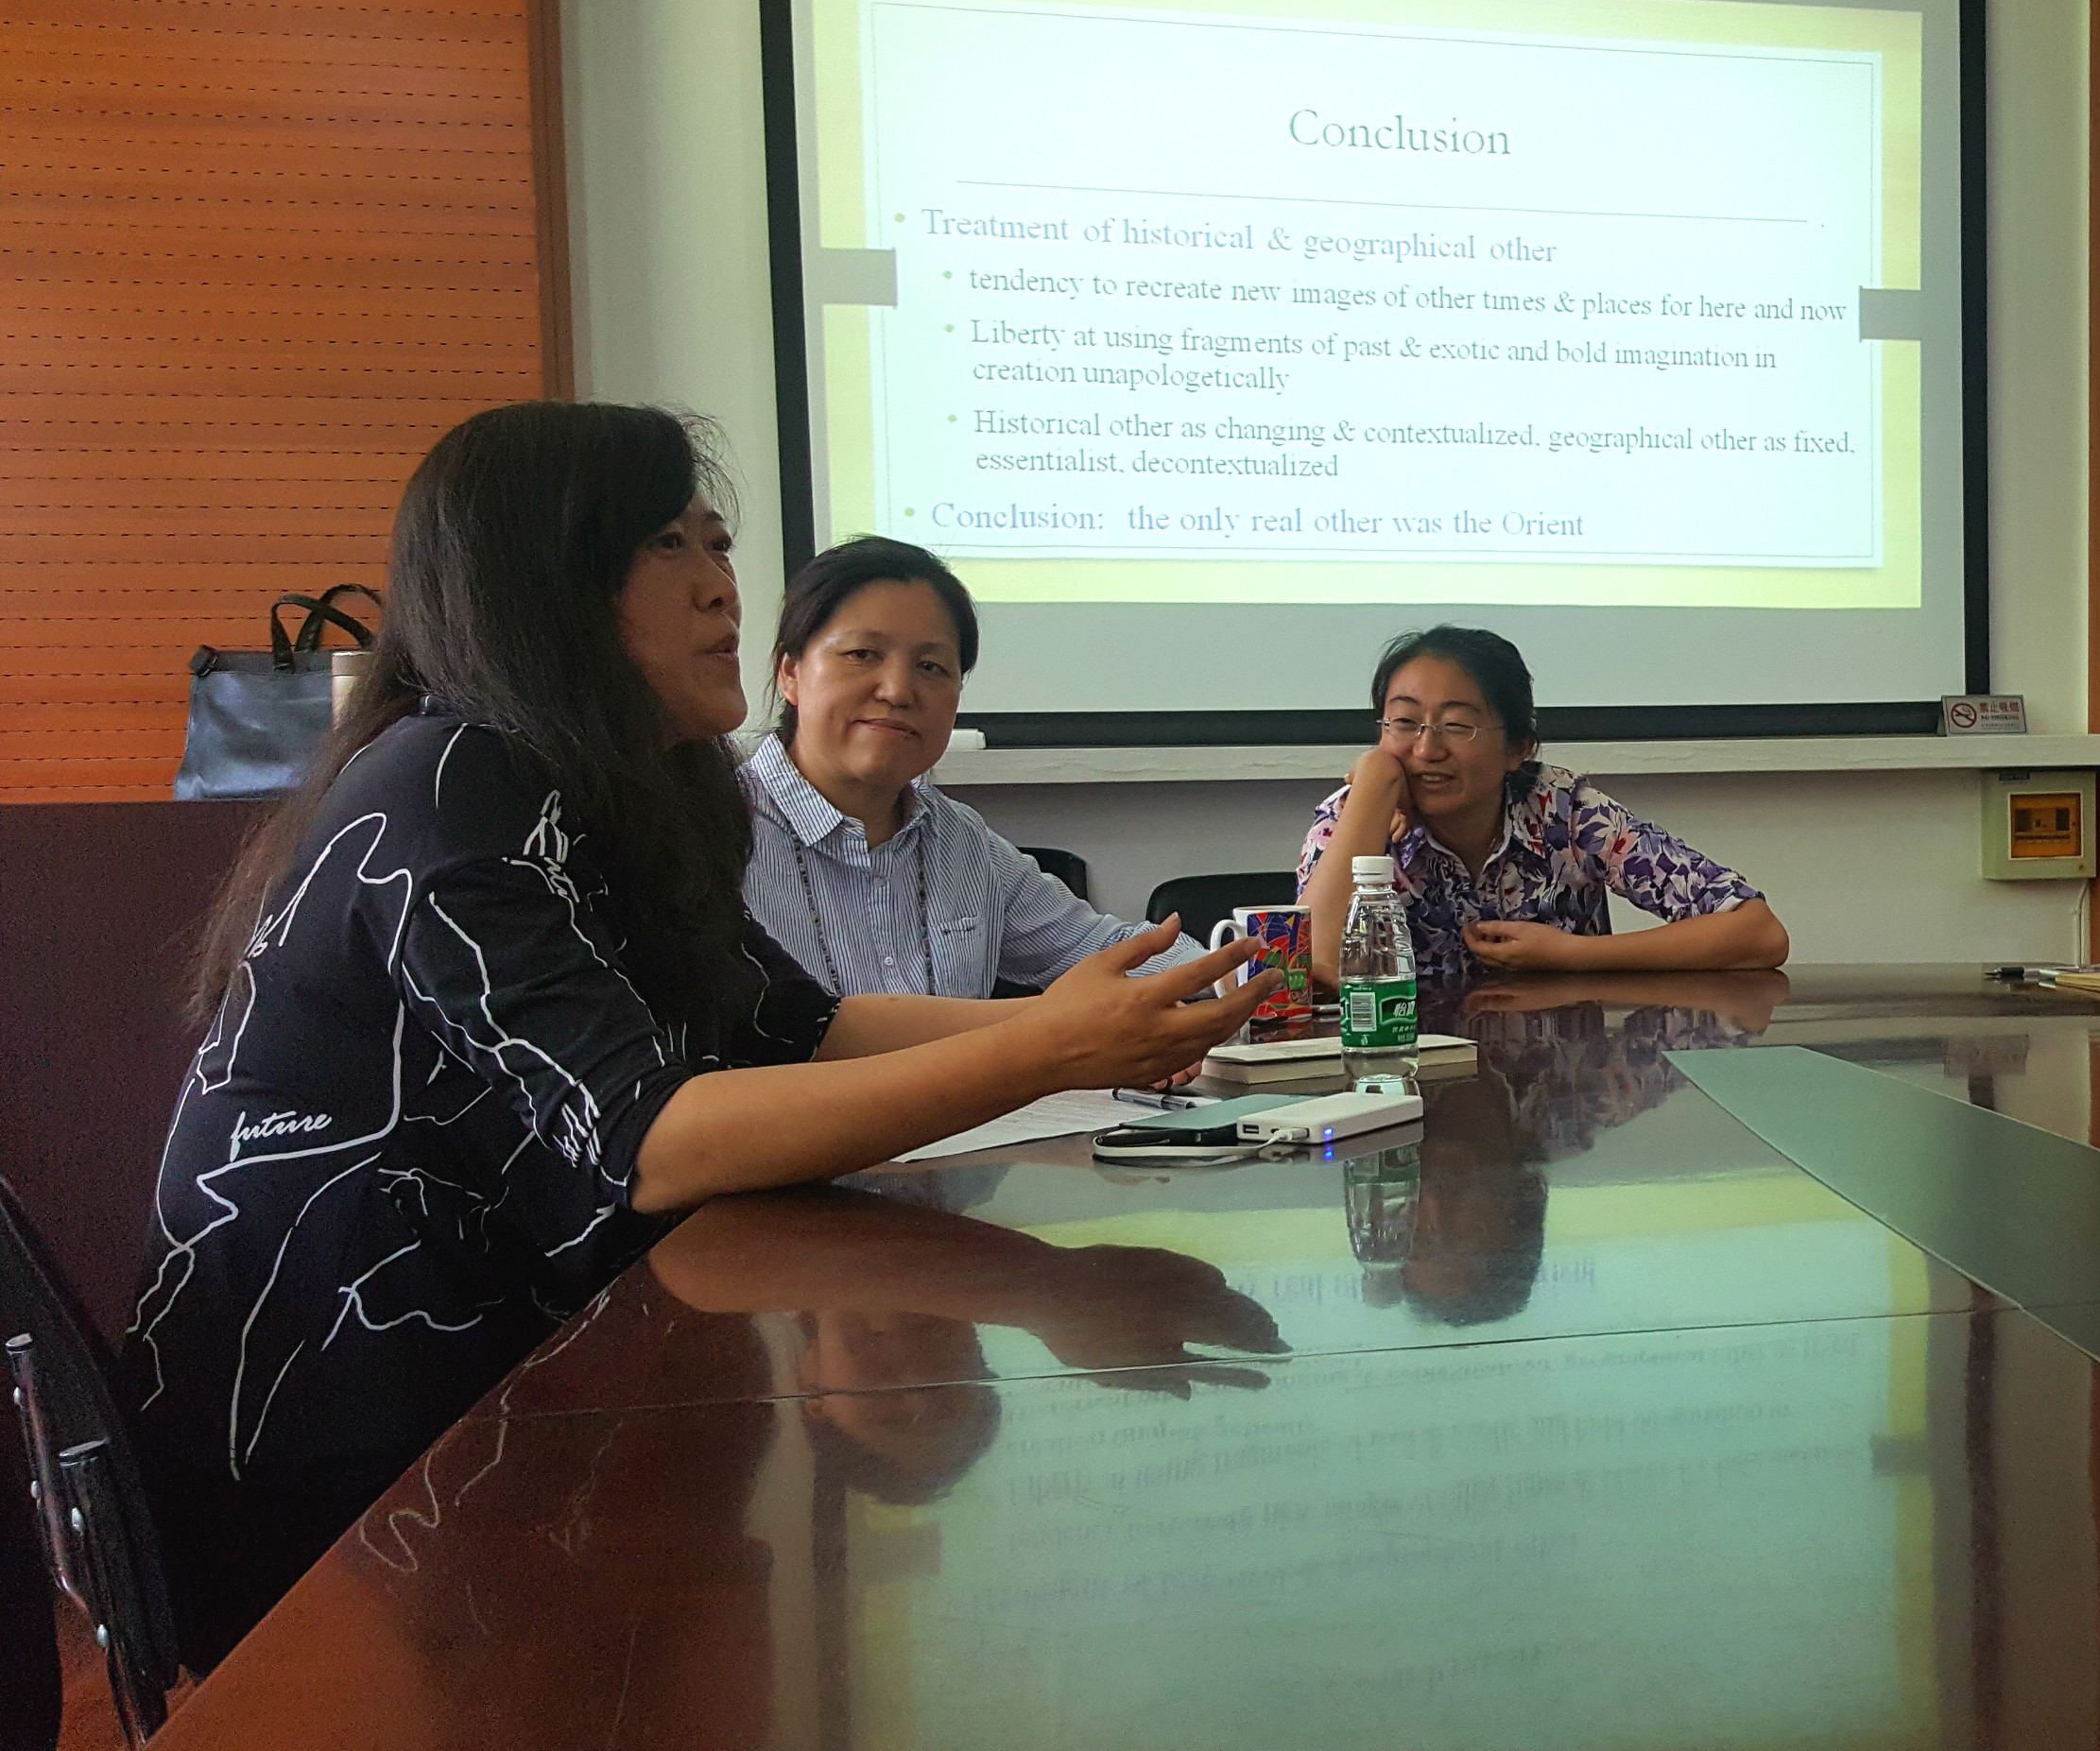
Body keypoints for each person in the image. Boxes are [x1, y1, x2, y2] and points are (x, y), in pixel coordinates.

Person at [124, 403, 1272, 1666]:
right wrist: (1047, 1052)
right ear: (542, 578)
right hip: (349, 1447)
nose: (722, 584)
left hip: (516, 1385)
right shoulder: (451, 777)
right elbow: (651, 1140)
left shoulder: (636, 789)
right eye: (669, 545)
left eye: (718, 543)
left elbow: (796, 1024)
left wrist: (1061, 1025)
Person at [741, 535, 1198, 998]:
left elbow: (1107, 950)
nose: (897, 691)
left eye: (931, 667)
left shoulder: (961, 842)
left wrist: (1234, 974)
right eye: (862, 655)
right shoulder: (716, 834)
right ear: (790, 673)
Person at [1296, 625, 1789, 987]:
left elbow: (1759, 933)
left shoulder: (1564, 811)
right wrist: (1376, 783)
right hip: (1402, 1074)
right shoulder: (1350, 816)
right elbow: (1307, 964)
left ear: (1517, 749)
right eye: (1404, 723)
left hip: (1559, 1081)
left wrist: (1573, 955)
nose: (1427, 750)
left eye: (1458, 725)